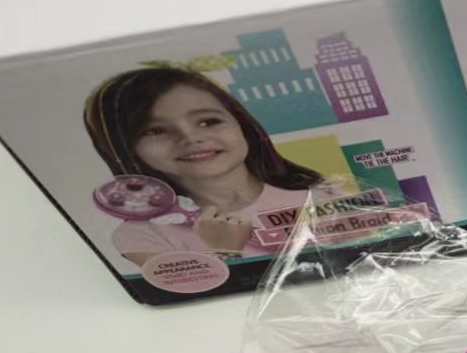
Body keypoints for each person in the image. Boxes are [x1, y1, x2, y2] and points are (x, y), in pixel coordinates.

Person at [83, 62, 331, 266]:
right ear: (125, 150)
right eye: (156, 130)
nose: (190, 138)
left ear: (243, 125)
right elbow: (195, 297)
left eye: (208, 122)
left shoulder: (319, 197)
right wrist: (224, 251)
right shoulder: (141, 235)